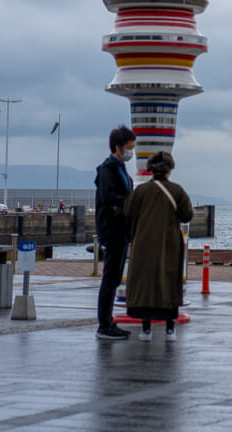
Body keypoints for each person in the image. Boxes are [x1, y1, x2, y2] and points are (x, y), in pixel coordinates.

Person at [124, 151, 192, 341]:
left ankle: (146, 329)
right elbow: (187, 215)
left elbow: (127, 213)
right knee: (169, 282)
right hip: (169, 244)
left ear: (151, 169)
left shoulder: (140, 192)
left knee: (146, 284)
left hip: (143, 244)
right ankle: (170, 329)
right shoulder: (177, 191)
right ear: (169, 169)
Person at [94, 124, 136, 340]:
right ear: (119, 147)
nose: (131, 152)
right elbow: (110, 198)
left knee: (114, 277)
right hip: (113, 230)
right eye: (129, 147)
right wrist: (131, 203)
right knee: (110, 279)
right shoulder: (108, 170)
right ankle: (104, 323)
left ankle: (108, 321)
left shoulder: (119, 167)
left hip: (121, 231)